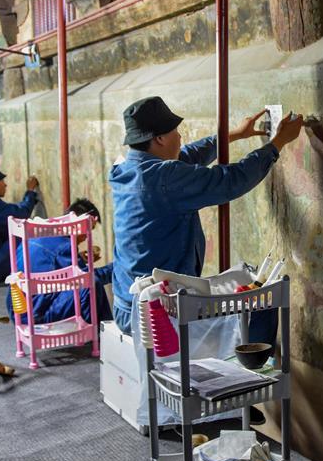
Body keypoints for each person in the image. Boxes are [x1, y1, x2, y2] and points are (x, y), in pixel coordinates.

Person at [109, 96, 303, 333]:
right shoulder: (163, 179)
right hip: (153, 315)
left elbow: (185, 156)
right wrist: (277, 143)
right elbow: (231, 181)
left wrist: (233, 135)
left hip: (125, 306)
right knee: (260, 306)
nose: (180, 138)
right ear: (159, 138)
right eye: (175, 132)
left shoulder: (125, 170)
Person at [6, 198, 113, 325]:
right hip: (35, 314)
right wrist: (117, 267)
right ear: (80, 226)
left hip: (17, 310)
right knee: (92, 284)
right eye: (89, 230)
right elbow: (86, 279)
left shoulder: (35, 235)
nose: (86, 237)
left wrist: (78, 258)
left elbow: (46, 264)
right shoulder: (65, 247)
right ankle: (104, 333)